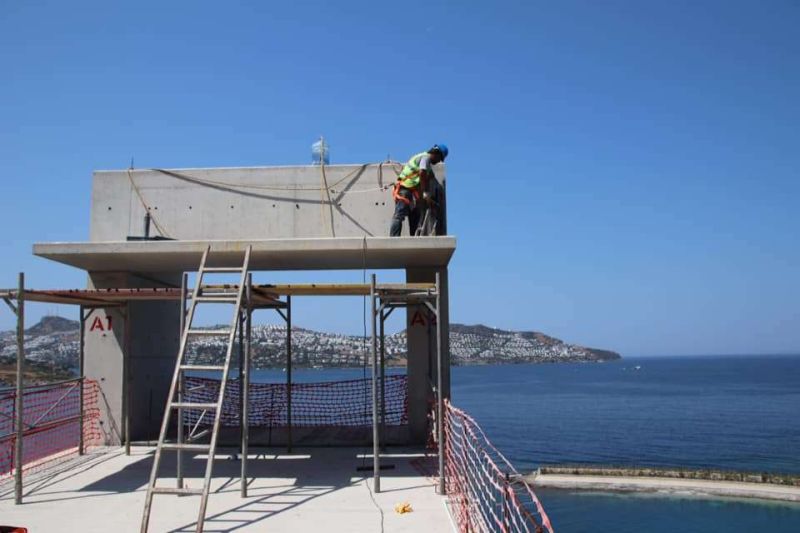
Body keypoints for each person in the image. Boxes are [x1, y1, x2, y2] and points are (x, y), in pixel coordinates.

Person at [389, 144, 448, 236]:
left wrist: (430, 199)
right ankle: (393, 239)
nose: (438, 162)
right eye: (439, 158)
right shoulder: (425, 158)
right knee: (399, 214)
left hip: (411, 192)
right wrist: (425, 193)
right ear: (436, 153)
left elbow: (429, 176)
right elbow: (422, 173)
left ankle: (414, 238)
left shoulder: (426, 162)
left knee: (415, 217)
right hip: (405, 188)